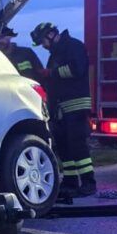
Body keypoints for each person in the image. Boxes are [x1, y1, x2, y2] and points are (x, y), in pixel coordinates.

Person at [30, 22, 96, 198]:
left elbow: (77, 69)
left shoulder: (73, 46)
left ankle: (88, 182)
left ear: (50, 34)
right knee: (64, 145)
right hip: (60, 107)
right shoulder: (56, 54)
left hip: (76, 104)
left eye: (43, 41)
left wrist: (51, 73)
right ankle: (70, 182)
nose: (43, 46)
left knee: (77, 145)